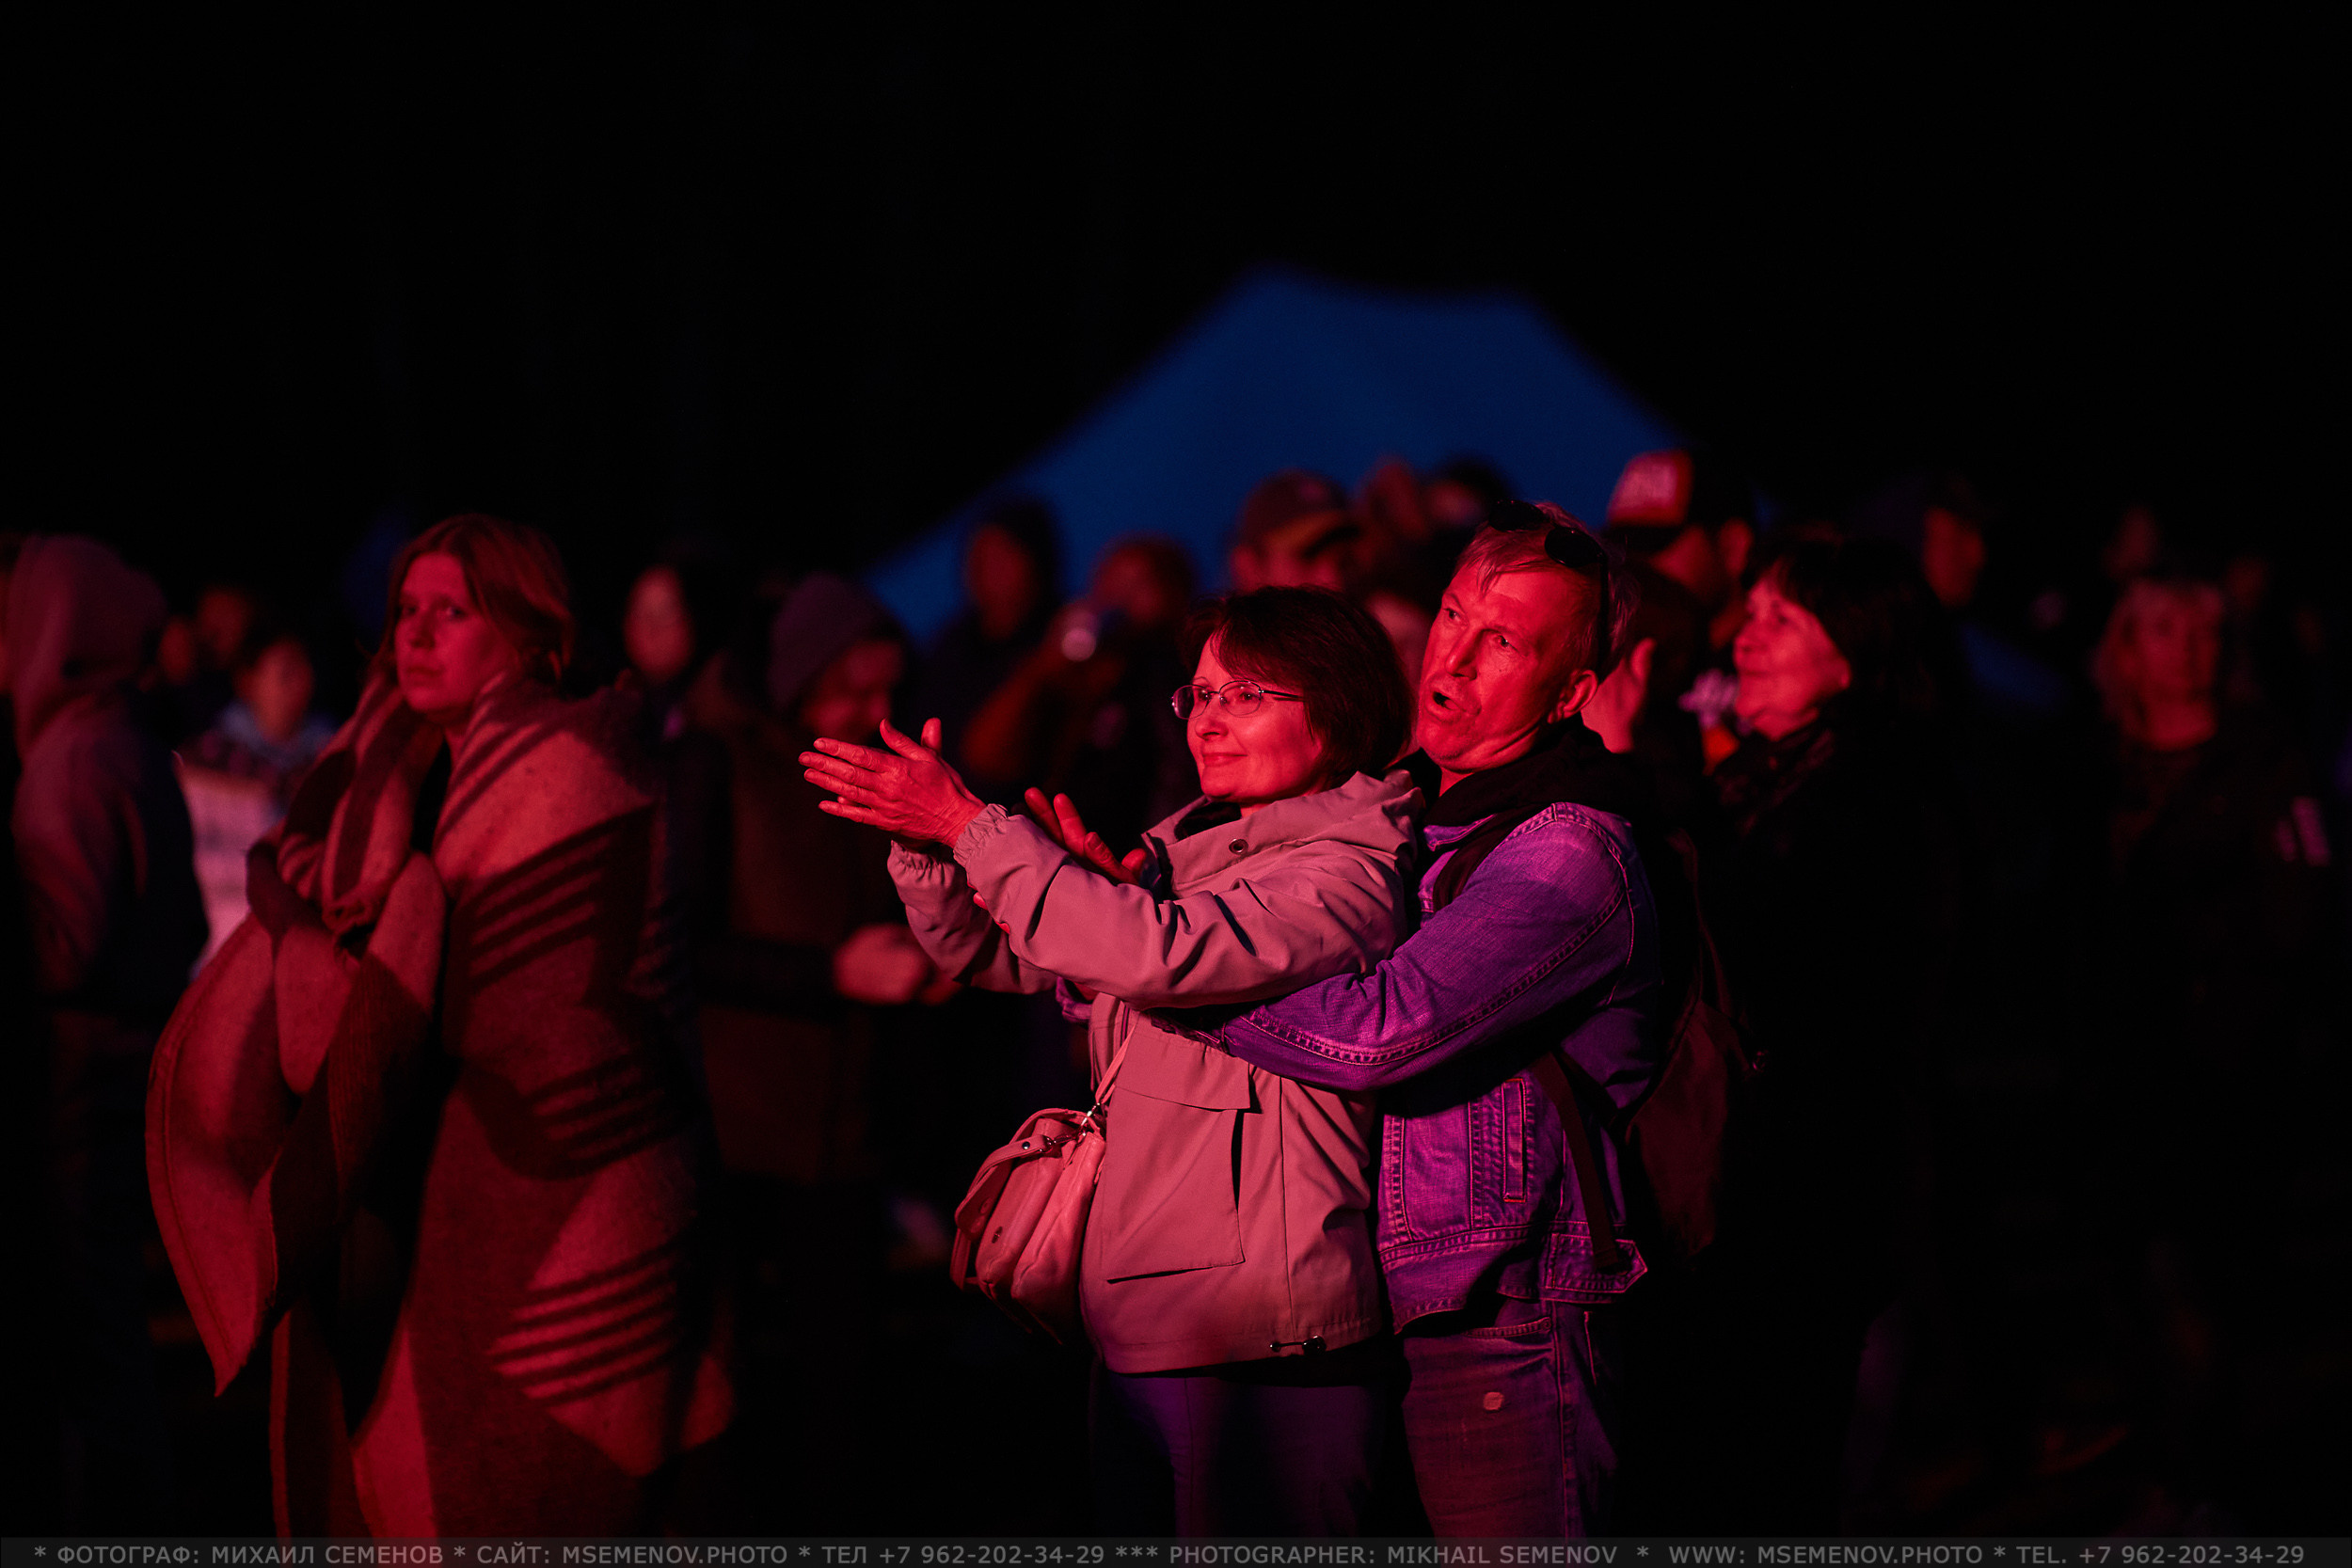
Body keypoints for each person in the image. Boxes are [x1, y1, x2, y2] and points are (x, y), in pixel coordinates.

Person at [149, 514, 730, 1535]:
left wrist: (330, 945)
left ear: (526, 626)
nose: (414, 634)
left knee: (518, 1492)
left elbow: (560, 1021)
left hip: (536, 1194)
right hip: (389, 1185)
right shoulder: (379, 770)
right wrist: (305, 928)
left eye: (450, 612)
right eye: (406, 611)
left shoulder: (574, 765)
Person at [804, 586, 1418, 1537]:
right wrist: (924, 846)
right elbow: (998, 953)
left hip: (1259, 1332)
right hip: (1142, 1317)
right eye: (1199, 694)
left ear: (1335, 706)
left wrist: (974, 824)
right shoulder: (1194, 842)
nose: (1208, 719)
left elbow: (1153, 951)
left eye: (1246, 694)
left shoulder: (1343, 868)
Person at [1152, 502, 1666, 1538]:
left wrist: (1159, 956)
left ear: (1571, 691)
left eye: (1505, 640)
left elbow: (1379, 1031)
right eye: (1451, 613)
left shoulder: (1571, 848)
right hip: (1377, 1305)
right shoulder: (1395, 808)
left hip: (1507, 1323)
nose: (1457, 653)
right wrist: (1100, 917)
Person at [1698, 534, 1957, 1530]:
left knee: (1796, 1456)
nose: (1743, 638)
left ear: (1851, 655)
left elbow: (1816, 990)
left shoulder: (1870, 802)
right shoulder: (1770, 777)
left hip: (1816, 1173)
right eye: (1749, 610)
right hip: (1786, 1167)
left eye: (1780, 620)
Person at [5, 534, 206, 1530]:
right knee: (107, 1330)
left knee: (91, 1343)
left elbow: (63, 944)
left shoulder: (74, 757)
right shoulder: (126, 740)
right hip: (124, 1073)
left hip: (79, 1083)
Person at [179, 625, 338, 968]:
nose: (301, 683)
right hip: (226, 936)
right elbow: (193, 859)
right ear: (248, 682)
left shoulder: (333, 755)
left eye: (305, 669)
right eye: (286, 672)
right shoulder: (208, 762)